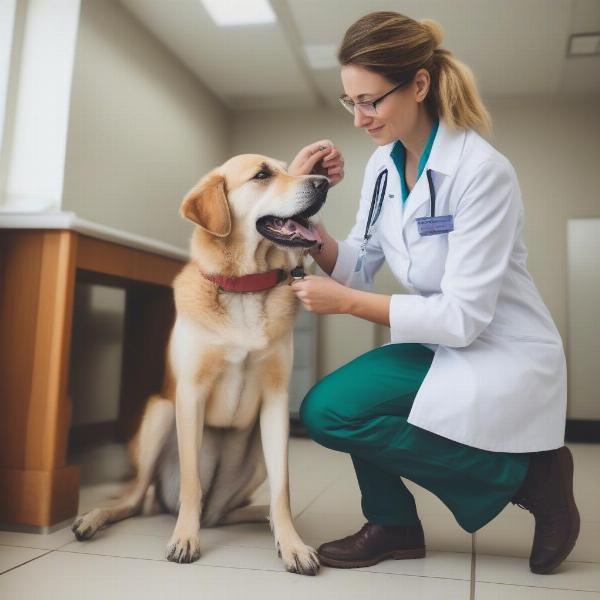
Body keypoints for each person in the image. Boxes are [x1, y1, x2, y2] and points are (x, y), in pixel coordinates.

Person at [286, 11, 579, 575]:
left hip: (499, 344)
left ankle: (535, 479)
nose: (360, 118)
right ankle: (394, 524)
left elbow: (464, 317)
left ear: (418, 84)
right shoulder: (381, 166)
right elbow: (358, 265)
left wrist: (343, 303)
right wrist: (310, 222)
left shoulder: (480, 172)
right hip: (438, 334)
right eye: (351, 103)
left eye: (372, 101)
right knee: (334, 408)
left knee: (338, 411)